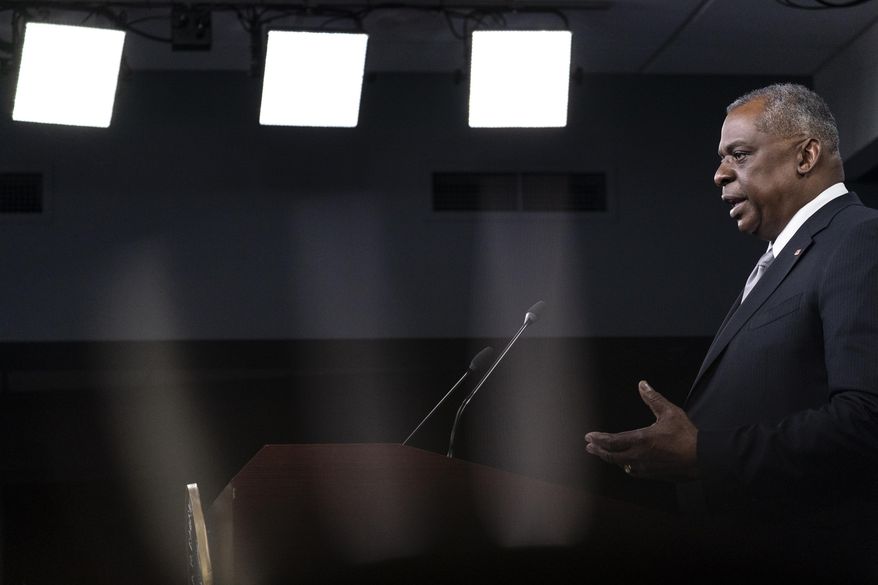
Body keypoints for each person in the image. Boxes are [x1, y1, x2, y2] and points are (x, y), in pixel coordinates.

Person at [584, 84, 878, 579]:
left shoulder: (858, 238)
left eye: (738, 155)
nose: (719, 173)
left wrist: (704, 452)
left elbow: (867, 417)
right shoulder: (790, 253)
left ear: (806, 155)